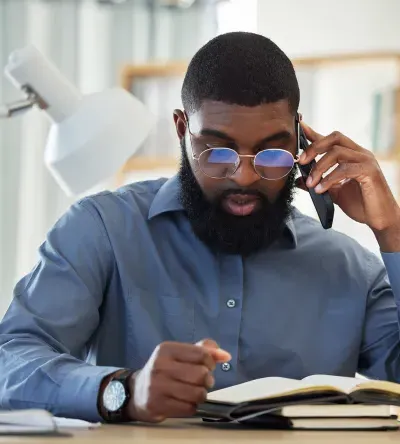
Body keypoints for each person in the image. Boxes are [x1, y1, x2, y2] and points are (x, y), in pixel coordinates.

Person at [1, 31, 400, 424]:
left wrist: (392, 231)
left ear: (299, 140)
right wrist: (122, 389)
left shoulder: (350, 270)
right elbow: (11, 360)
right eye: (218, 152)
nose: (244, 178)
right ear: (181, 130)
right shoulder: (102, 230)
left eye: (271, 154)